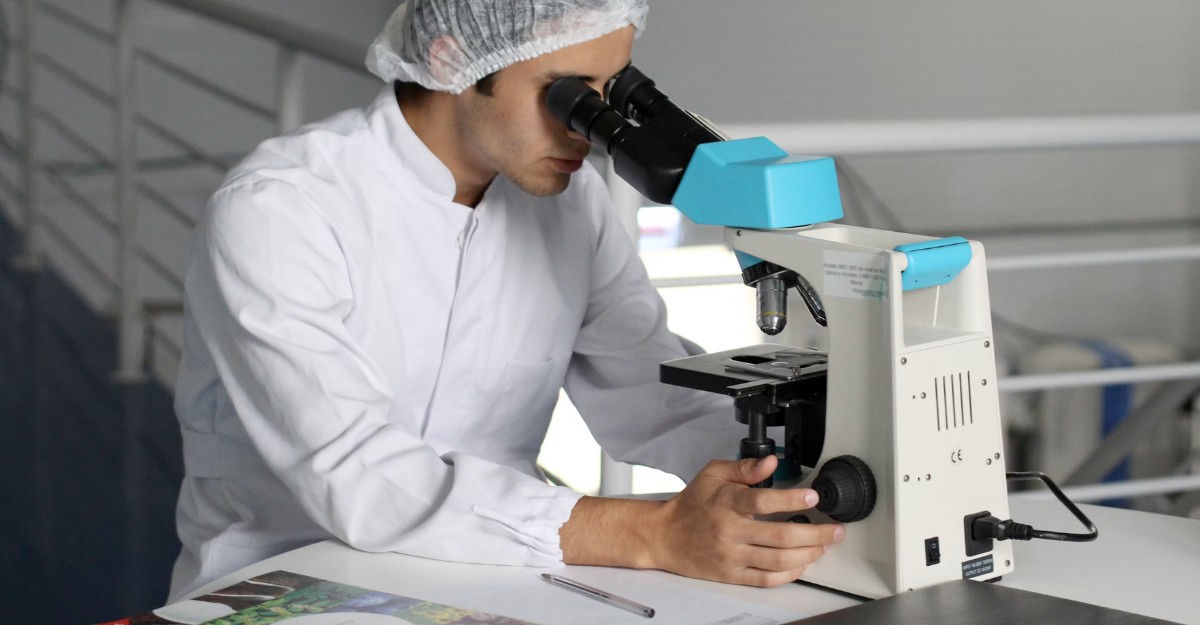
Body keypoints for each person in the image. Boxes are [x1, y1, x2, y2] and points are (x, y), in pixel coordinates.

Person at [168, 0, 843, 601]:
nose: (587, 130)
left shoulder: (572, 206)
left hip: (495, 576)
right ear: (451, 58)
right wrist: (654, 532)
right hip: (285, 583)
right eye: (568, 94)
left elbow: (653, 397)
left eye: (611, 92)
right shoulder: (283, 210)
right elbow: (358, 476)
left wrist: (806, 463)